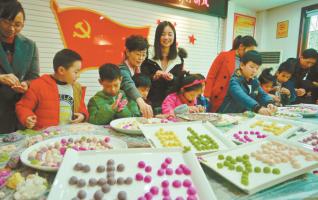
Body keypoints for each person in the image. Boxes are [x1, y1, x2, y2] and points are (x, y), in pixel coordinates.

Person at [15, 49, 88, 130]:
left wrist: (83, 115)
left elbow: (82, 107)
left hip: (68, 135)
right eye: (76, 72)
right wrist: (27, 117)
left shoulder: (76, 88)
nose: (78, 76)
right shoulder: (38, 85)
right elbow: (23, 106)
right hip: (44, 136)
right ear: (61, 70)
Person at [0, 1, 39, 133]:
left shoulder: (30, 45)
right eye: (6, 22)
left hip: (19, 111)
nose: (11, 29)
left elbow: (34, 77)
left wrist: (26, 84)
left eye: (17, 25)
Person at [141, 21, 186, 114]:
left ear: (174, 36)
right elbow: (141, 79)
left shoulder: (179, 58)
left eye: (170, 34)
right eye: (163, 34)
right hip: (150, 103)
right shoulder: (148, 55)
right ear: (157, 36)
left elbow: (180, 83)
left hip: (171, 105)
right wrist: (154, 77)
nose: (166, 38)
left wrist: (172, 78)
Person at [204, 35, 257, 112]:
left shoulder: (247, 62)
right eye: (249, 51)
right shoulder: (224, 56)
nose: (251, 54)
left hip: (236, 100)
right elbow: (211, 75)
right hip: (219, 96)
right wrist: (207, 95)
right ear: (241, 46)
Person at [218, 50, 276, 115]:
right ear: (242, 65)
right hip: (228, 115)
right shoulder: (234, 81)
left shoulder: (254, 80)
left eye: (257, 68)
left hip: (242, 115)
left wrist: (269, 102)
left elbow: (262, 94)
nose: (254, 71)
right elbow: (242, 97)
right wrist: (257, 108)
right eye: (252, 67)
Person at [119, 35, 153, 118]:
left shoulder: (139, 69)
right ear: (127, 52)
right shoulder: (122, 69)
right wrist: (140, 101)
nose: (141, 58)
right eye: (138, 54)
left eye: (144, 54)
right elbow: (128, 84)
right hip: (122, 113)